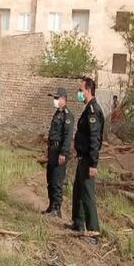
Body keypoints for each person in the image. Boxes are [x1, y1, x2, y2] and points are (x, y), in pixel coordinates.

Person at [70, 77, 104, 239]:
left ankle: (93, 231)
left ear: (88, 90)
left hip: (88, 160)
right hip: (82, 157)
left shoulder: (93, 111)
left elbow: (94, 139)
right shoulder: (88, 109)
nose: (79, 93)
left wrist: (93, 163)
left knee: (88, 193)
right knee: (78, 189)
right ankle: (78, 222)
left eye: (80, 90)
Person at [43, 88, 73, 218]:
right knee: (50, 179)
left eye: (56, 98)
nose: (54, 101)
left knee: (57, 180)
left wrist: (64, 153)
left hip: (60, 151)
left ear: (63, 99)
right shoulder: (57, 113)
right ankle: (51, 206)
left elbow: (67, 136)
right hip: (52, 150)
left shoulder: (67, 115)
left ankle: (57, 209)